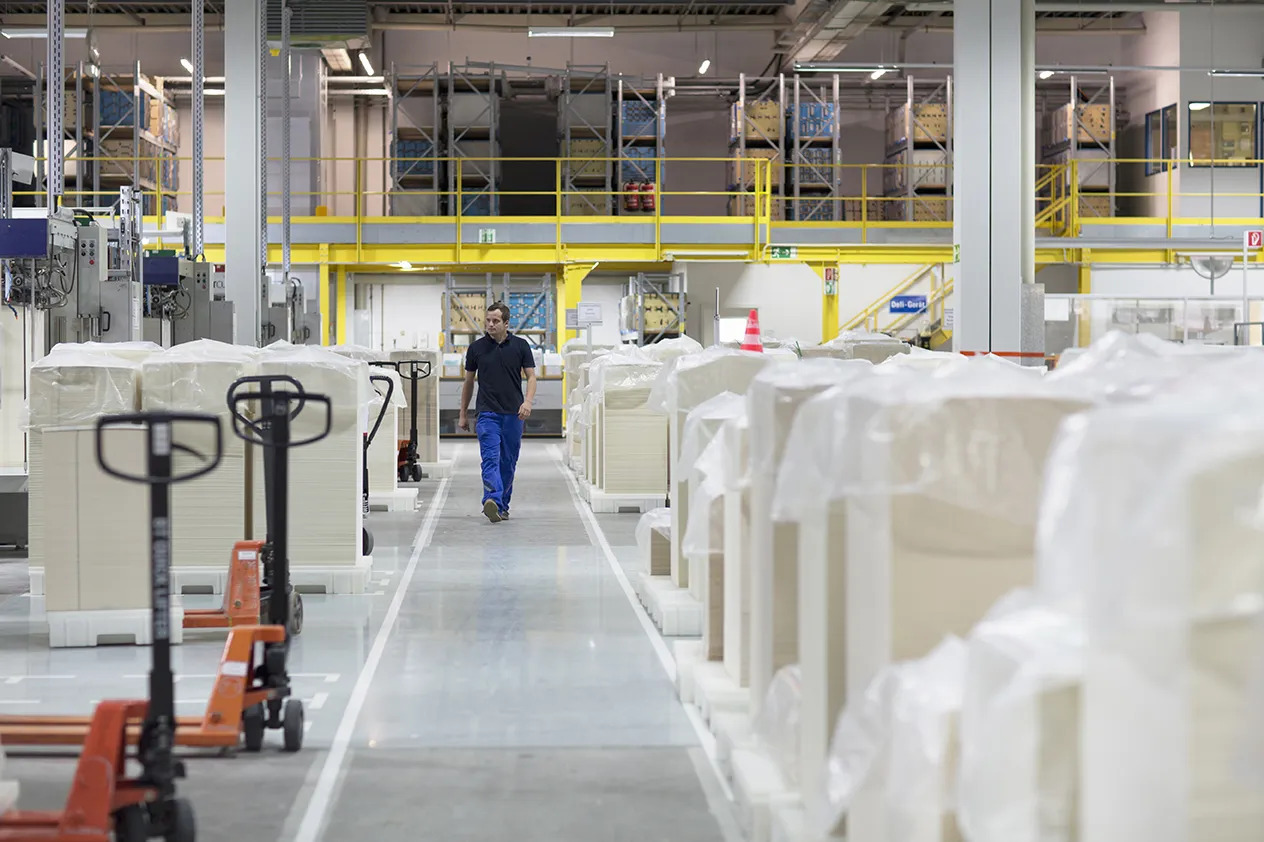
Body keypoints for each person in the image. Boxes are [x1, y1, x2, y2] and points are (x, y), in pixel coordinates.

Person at [458, 301, 537, 523]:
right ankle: (491, 499)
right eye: (488, 320)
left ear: (506, 323)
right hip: (487, 413)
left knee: (508, 461)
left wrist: (528, 402)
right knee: (490, 458)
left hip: (514, 414)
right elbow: (468, 382)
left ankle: (502, 505)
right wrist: (463, 413)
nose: (490, 325)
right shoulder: (476, 348)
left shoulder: (520, 346)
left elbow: (531, 377)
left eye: (495, 321)